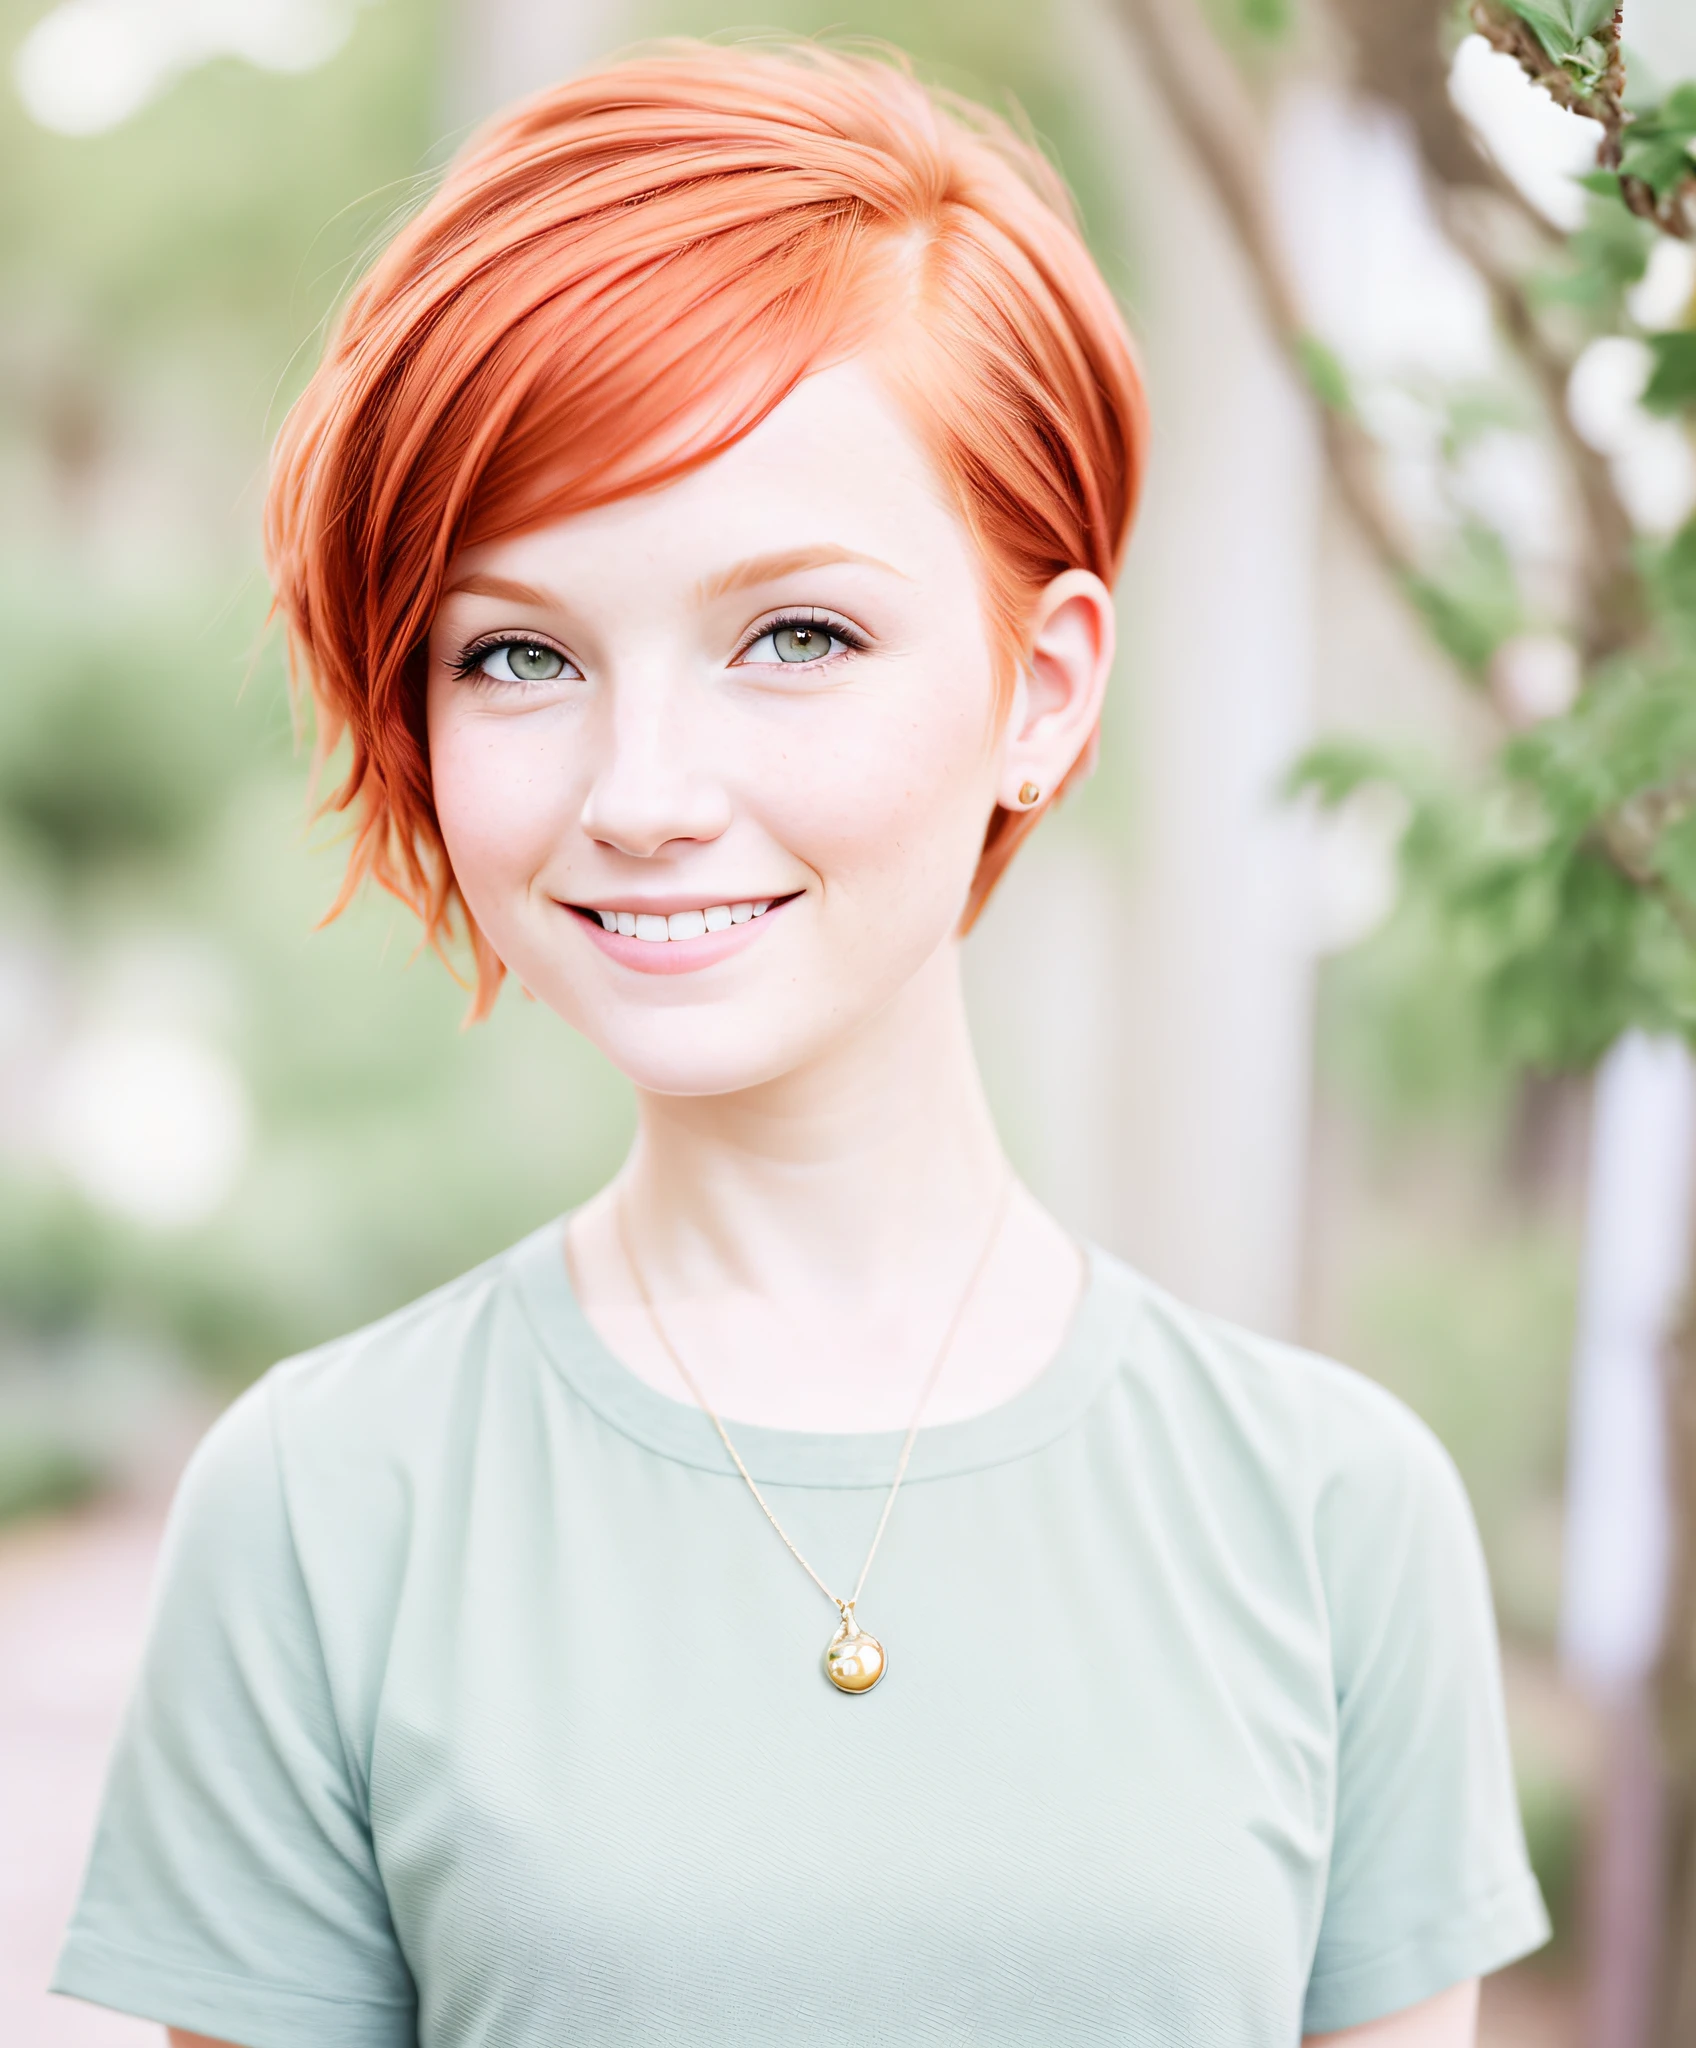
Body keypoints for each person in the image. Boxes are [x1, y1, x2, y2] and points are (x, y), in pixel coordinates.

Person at [53, 40, 1548, 2048]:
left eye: (793, 635)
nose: (642, 789)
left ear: (1042, 685)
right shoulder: (332, 1506)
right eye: (521, 654)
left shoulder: (1325, 1511)